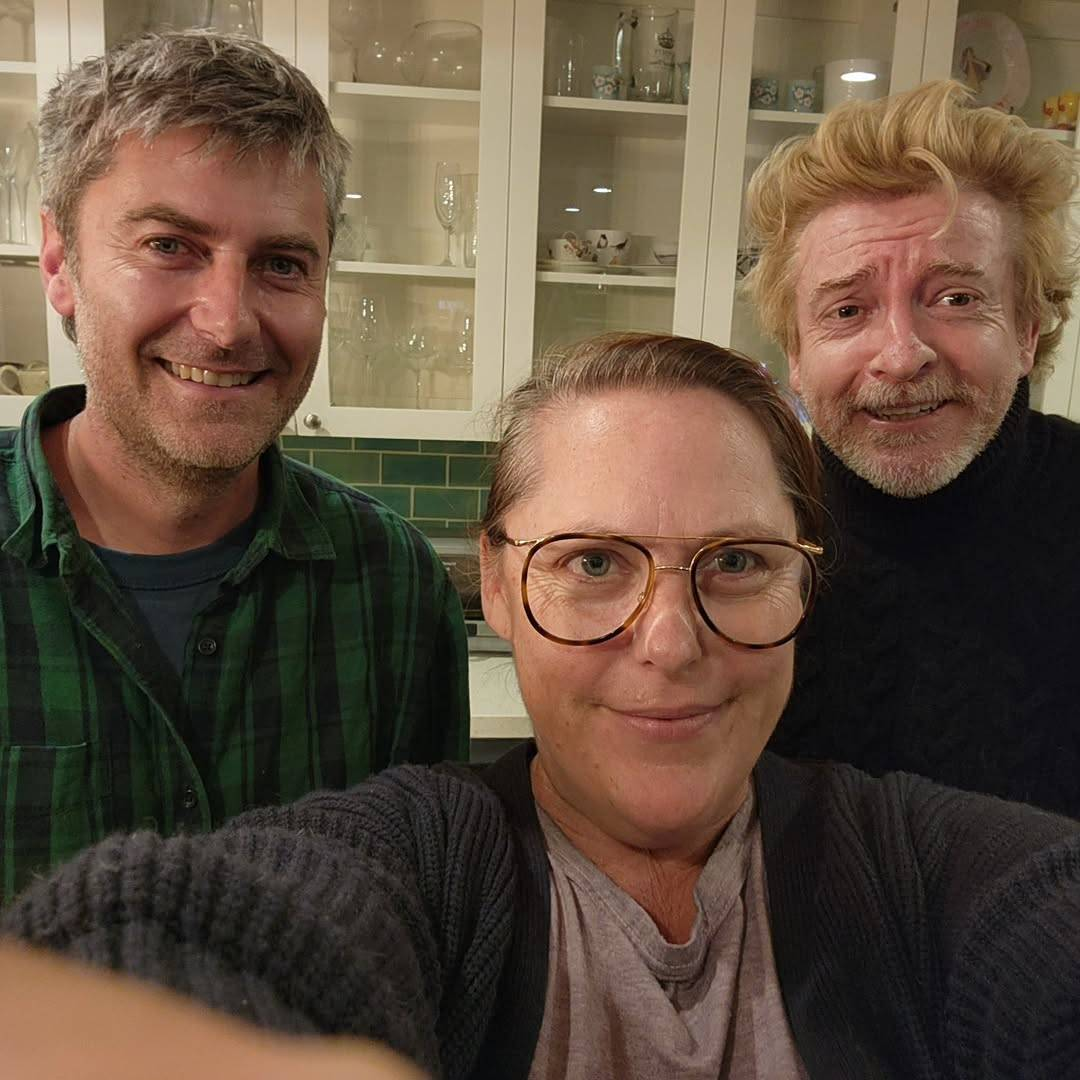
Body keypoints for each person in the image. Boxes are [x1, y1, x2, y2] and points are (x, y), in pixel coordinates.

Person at [4, 333, 1080, 1080]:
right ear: (500, 584)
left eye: (740, 561)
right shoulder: (427, 863)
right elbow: (200, 934)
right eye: (595, 562)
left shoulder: (912, 866)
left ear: (807, 585)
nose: (669, 641)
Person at [0, 30, 468, 904]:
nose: (226, 323)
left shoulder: (393, 589)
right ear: (60, 264)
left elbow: (422, 919)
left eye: (281, 264)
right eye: (170, 246)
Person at [742, 79, 1080, 817]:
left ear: (1027, 330)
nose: (901, 355)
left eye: (956, 298)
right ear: (795, 353)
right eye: (847, 309)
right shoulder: (733, 537)